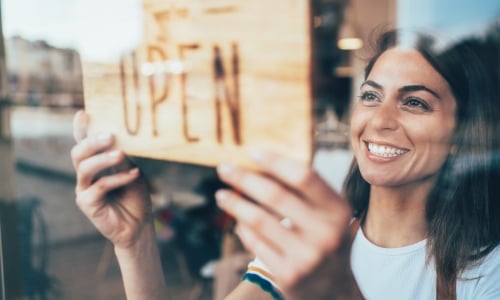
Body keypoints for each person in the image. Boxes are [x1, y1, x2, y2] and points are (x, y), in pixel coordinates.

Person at [70, 29, 500, 299]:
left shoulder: (487, 273)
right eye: (370, 95)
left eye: (414, 102)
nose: (380, 121)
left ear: (464, 130)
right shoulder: (302, 243)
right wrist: (136, 241)